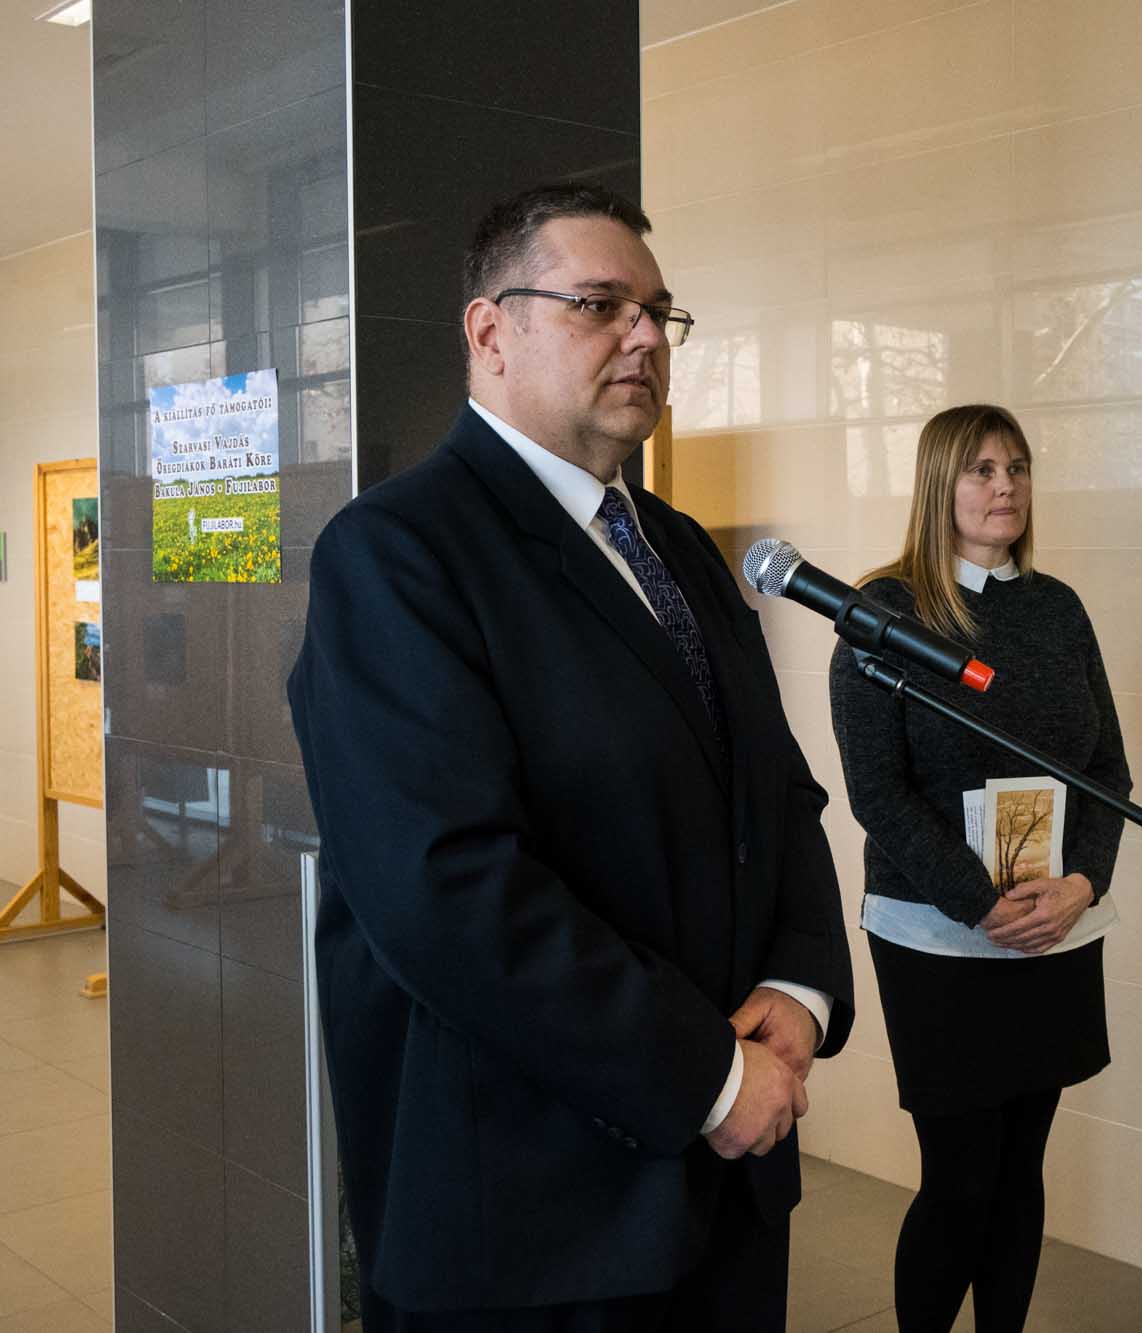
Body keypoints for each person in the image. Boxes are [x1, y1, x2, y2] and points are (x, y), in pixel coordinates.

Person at [288, 182, 854, 1332]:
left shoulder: (678, 549)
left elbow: (777, 793)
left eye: (658, 312)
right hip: (531, 1220)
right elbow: (446, 890)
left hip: (728, 1193)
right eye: (599, 305)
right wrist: (707, 1075)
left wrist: (800, 988)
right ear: (489, 331)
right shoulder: (397, 553)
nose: (644, 337)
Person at [827, 404, 1131, 1333]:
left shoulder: (1057, 608)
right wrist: (977, 901)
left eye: (1017, 468)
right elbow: (877, 792)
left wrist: (1082, 883)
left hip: (1055, 926)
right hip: (937, 935)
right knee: (960, 1179)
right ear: (939, 484)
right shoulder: (883, 612)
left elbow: (1108, 770)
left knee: (1020, 1170)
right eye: (982, 469)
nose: (1006, 486)